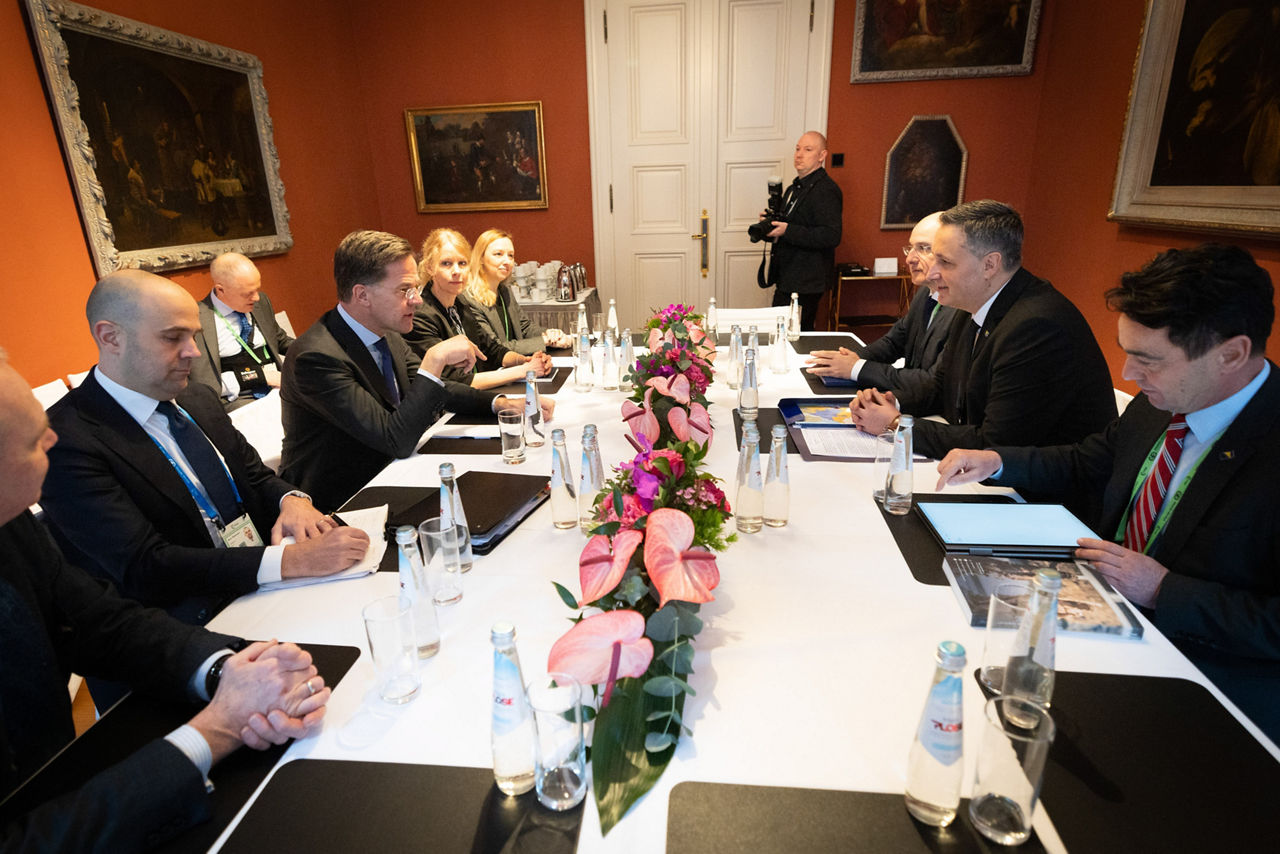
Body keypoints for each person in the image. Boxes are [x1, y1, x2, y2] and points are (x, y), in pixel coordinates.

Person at [935, 244, 1280, 742]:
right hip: (1095, 629)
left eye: (1148, 360)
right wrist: (999, 460)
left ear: (1231, 354)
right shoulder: (1165, 400)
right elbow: (1088, 459)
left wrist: (1164, 590)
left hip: (1203, 690)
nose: (1128, 375)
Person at [0, 350, 331, 850]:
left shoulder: (11, 522)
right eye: (31, 441)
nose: (50, 439)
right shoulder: (70, 443)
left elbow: (98, 621)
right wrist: (215, 732)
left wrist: (226, 668)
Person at [41, 270, 370, 628]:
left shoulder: (197, 398)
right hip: (183, 623)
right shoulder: (64, 439)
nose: (194, 352)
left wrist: (292, 500)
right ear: (110, 337)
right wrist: (293, 561)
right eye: (172, 338)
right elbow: (144, 566)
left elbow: (255, 476)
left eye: (194, 336)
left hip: (263, 587)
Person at [279, 230, 552, 512]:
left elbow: (439, 389)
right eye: (404, 290)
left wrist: (500, 403)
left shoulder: (385, 331)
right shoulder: (316, 357)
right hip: (340, 503)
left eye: (416, 288)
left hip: (396, 475)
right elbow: (394, 440)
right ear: (362, 295)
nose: (417, 300)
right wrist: (434, 359)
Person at [849, 200, 1116, 461]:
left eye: (945, 262)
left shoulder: (1037, 327)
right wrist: (889, 403)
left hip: (1041, 486)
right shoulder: (973, 303)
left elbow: (995, 445)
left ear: (990, 265)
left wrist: (897, 424)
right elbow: (941, 389)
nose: (932, 274)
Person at [804, 212, 960, 410]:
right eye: (911, 248)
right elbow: (893, 342)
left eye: (923, 248)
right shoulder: (924, 293)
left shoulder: (962, 307)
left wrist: (856, 367)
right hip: (910, 400)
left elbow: (932, 383)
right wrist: (850, 359)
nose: (910, 259)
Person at [404, 228, 553, 388]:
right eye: (446, 263)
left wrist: (525, 361)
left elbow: (492, 349)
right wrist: (524, 371)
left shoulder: (460, 302)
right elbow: (452, 381)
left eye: (462, 263)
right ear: (429, 267)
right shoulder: (421, 316)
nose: (456, 271)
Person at [758, 130, 843, 331]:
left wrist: (787, 230)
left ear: (822, 156)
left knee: (796, 334)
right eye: (797, 149)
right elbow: (790, 228)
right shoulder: (793, 189)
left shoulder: (826, 189)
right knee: (780, 330)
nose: (799, 154)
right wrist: (771, 227)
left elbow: (832, 235)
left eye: (808, 149)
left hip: (807, 281)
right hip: (788, 276)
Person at [190, 252, 295, 410]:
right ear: (221, 290)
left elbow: (280, 340)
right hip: (239, 398)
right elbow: (204, 383)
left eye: (256, 289)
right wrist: (259, 376)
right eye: (248, 293)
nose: (256, 297)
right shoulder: (196, 319)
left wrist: (316, 351)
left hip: (280, 386)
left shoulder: (260, 302)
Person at [458, 228, 571, 355]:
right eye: (498, 254)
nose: (507, 261)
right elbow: (495, 349)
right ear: (480, 258)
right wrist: (544, 341)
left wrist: (551, 335)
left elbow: (524, 327)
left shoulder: (504, 291)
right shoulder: (468, 299)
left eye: (510, 255)